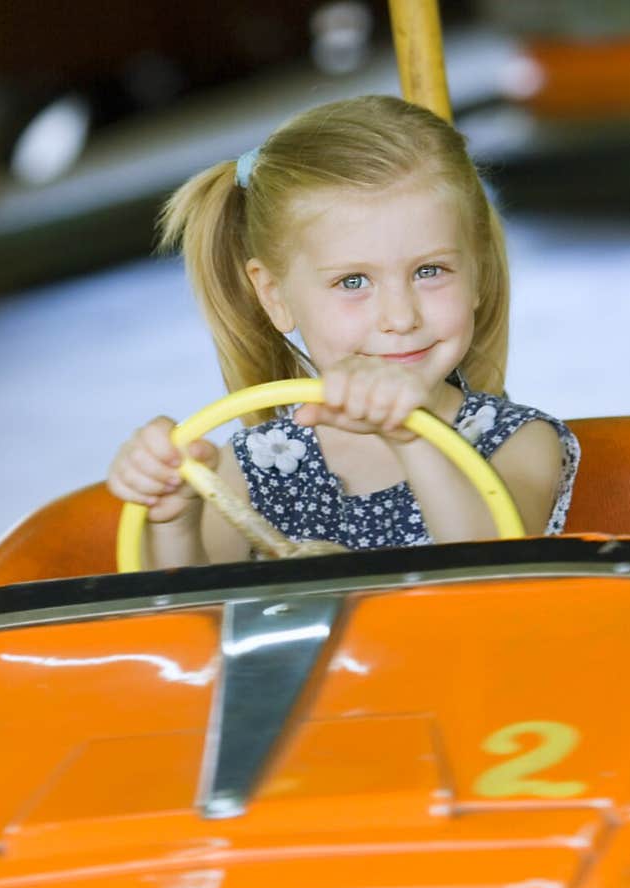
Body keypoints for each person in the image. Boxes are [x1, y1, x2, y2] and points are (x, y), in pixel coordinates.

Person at [107, 95, 580, 566]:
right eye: (353, 282)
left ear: (477, 272)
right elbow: (187, 620)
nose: (400, 317)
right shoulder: (256, 468)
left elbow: (495, 571)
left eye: (430, 270)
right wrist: (173, 523)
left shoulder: (519, 440)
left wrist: (411, 434)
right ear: (275, 296)